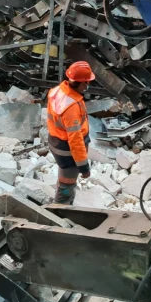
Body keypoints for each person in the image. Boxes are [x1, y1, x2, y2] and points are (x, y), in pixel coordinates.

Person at [46, 60, 95, 205]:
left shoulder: (57, 90)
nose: (87, 86)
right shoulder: (71, 107)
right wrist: (83, 167)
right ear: (82, 83)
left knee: (64, 177)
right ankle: (60, 212)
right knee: (67, 184)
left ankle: (61, 201)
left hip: (55, 141)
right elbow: (75, 140)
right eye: (86, 83)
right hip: (66, 150)